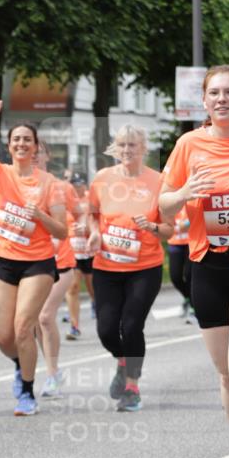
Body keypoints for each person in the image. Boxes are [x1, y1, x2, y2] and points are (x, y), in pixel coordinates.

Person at [0, 88, 67, 416]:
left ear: (36, 148)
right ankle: (23, 363)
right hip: (2, 261)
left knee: (24, 326)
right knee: (4, 336)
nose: (21, 144)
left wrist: (40, 216)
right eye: (16, 140)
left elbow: (62, 232)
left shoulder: (51, 184)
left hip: (37, 262)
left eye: (27, 140)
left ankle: (26, 390)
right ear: (9, 147)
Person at [160, 65, 229, 428]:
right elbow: (163, 205)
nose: (223, 99)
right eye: (216, 93)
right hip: (208, 265)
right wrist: (185, 193)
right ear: (204, 101)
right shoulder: (189, 145)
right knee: (226, 376)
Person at [87, 126, 173, 412]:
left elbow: (170, 230)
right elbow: (92, 214)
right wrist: (94, 233)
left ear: (143, 148)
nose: (127, 151)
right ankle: (123, 361)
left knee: (133, 325)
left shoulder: (158, 181)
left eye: (132, 145)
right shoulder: (102, 179)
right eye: (122, 145)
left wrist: (153, 227)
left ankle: (132, 388)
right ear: (115, 147)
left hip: (144, 267)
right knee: (107, 330)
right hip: (107, 266)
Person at [35, 143, 81, 398]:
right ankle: (51, 369)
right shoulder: (20, 187)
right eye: (30, 151)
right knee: (32, 322)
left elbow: (81, 214)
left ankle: (52, 374)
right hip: (33, 262)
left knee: (44, 316)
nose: (34, 156)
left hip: (62, 261)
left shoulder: (62, 187)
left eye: (39, 151)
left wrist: (85, 230)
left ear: (47, 155)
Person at [65, 173, 96, 339]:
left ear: (85, 186)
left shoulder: (91, 202)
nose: (76, 188)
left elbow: (99, 227)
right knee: (73, 287)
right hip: (72, 252)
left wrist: (87, 230)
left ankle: (95, 303)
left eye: (79, 184)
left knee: (93, 289)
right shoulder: (64, 203)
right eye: (73, 185)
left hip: (90, 251)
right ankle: (74, 326)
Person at [166, 205, 194, 322]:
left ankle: (194, 307)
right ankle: (189, 298)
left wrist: (187, 223)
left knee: (189, 275)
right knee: (175, 277)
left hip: (191, 242)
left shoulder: (190, 196)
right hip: (175, 242)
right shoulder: (169, 196)